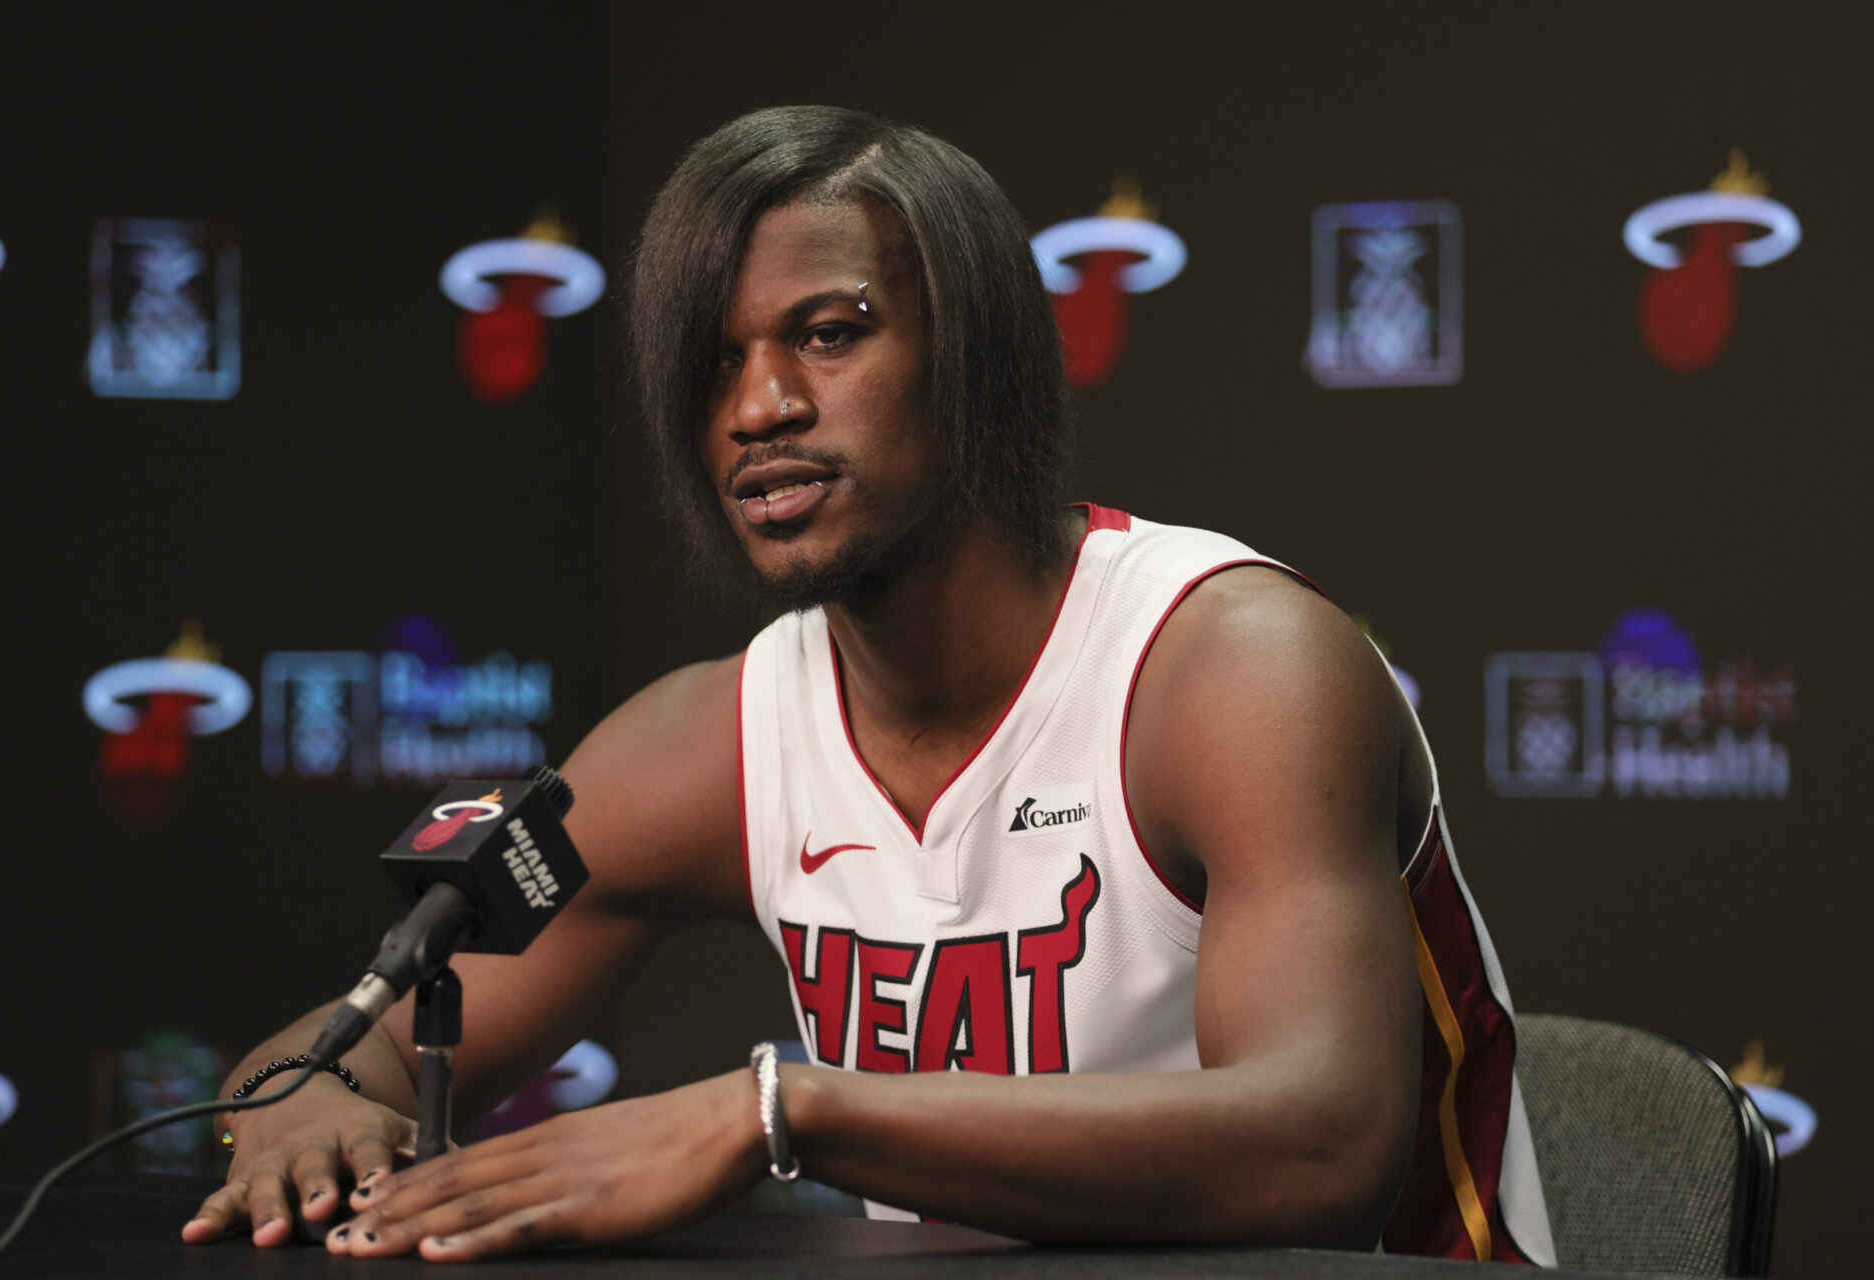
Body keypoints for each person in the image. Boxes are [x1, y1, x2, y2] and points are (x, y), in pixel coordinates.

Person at [182, 105, 1555, 1266]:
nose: (758, 404)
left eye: (829, 334)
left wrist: (781, 1111)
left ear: (976, 361)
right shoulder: (719, 739)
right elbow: (310, 1069)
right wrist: (312, 1123)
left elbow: (1320, 1148)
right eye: (714, 359)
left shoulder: (1226, 665)